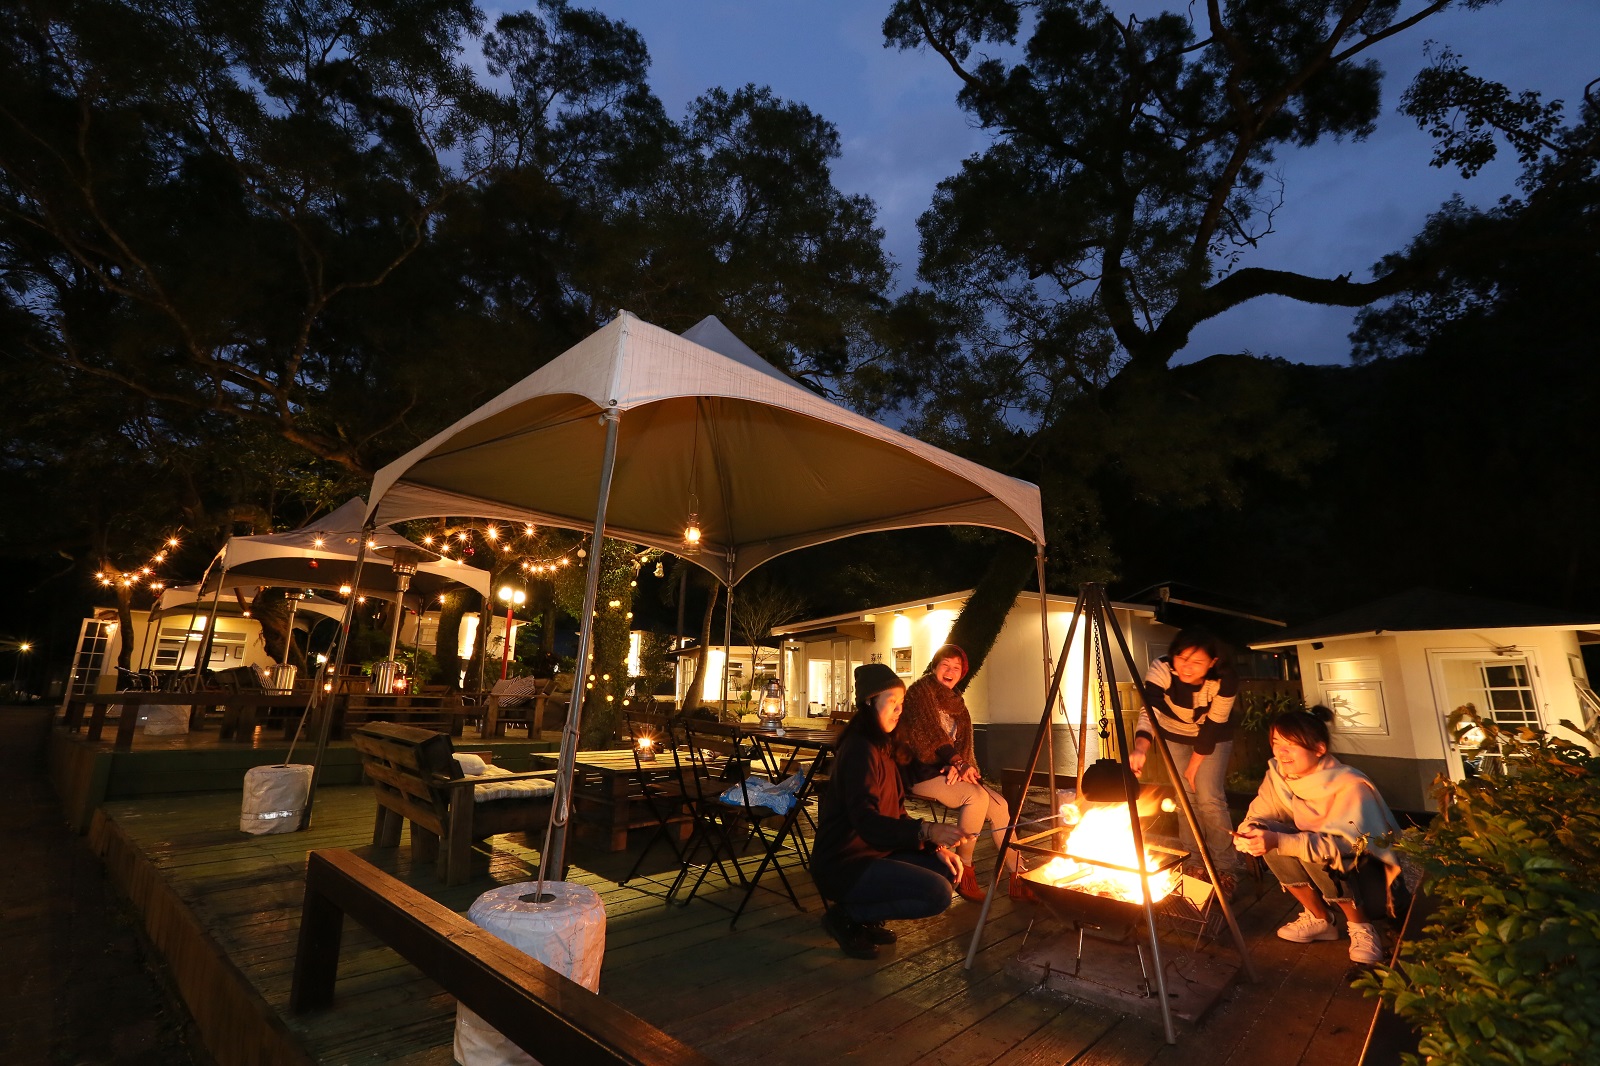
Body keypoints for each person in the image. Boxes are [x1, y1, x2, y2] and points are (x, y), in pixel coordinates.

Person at [811, 663, 968, 959]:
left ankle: (865, 916)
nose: (899, 710)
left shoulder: (884, 747)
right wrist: (927, 830)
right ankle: (847, 916)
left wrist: (932, 846)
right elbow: (868, 823)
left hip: (876, 852)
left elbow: (896, 814)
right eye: (891, 702)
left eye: (901, 703)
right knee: (937, 892)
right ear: (870, 702)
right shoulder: (859, 750)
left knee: (943, 869)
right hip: (845, 862)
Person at [1233, 706, 1404, 965]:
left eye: (1292, 744)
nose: (1281, 752)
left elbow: (1346, 845)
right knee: (1270, 838)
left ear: (1319, 749)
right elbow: (1258, 814)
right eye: (1277, 742)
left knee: (1310, 848)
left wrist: (1280, 839)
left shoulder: (1349, 785)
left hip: (1374, 878)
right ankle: (1320, 919)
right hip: (1329, 860)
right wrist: (1250, 832)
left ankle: (1361, 927)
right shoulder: (1278, 776)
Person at [896, 643, 1013, 902]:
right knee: (977, 798)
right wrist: (956, 763)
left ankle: (1018, 874)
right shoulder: (920, 691)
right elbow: (928, 736)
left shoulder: (957, 702)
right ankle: (965, 871)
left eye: (956, 668)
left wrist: (959, 767)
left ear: (962, 673)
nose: (950, 671)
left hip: (950, 769)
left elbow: (962, 744)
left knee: (1001, 805)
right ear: (935, 667)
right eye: (944, 665)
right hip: (919, 771)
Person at [1128, 627, 1241, 888]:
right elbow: (1151, 708)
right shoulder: (1162, 669)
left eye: (1197, 661)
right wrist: (1141, 748)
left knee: (1210, 797)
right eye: (1182, 658)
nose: (1187, 667)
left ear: (1212, 662)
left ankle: (1226, 868)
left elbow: (1214, 724)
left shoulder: (1225, 678)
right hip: (1175, 734)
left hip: (1213, 736)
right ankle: (1194, 863)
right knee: (1184, 797)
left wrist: (1194, 767)